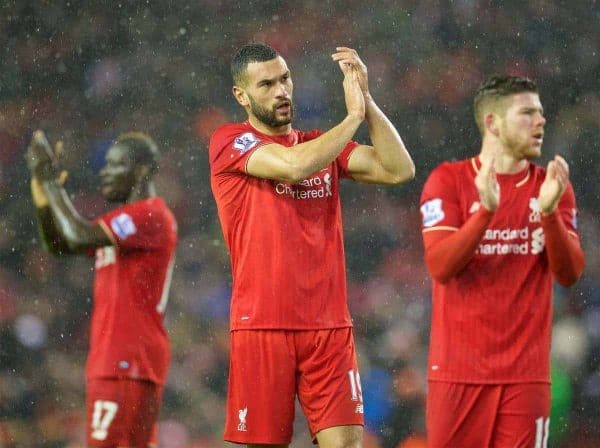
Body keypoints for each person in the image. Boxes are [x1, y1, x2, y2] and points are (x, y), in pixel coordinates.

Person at [209, 43, 415, 447]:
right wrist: (352, 117)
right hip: (263, 326)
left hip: (329, 328)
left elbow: (398, 169)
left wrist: (367, 102)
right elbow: (293, 165)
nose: (281, 91)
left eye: (284, 79)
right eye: (265, 84)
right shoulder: (229, 142)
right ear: (242, 96)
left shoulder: (321, 144)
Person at [419, 75, 585, 447]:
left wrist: (548, 214)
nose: (541, 121)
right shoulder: (448, 181)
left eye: (541, 113)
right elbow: (440, 267)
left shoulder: (552, 186)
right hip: (457, 375)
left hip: (525, 379)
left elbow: (570, 272)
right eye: (527, 113)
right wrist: (484, 214)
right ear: (492, 122)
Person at [26, 130, 177, 448]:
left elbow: (79, 235)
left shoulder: (149, 215)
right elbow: (61, 244)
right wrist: (42, 191)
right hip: (123, 360)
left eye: (114, 165)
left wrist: (52, 183)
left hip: (126, 359)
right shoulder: (126, 222)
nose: (104, 172)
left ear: (140, 170)